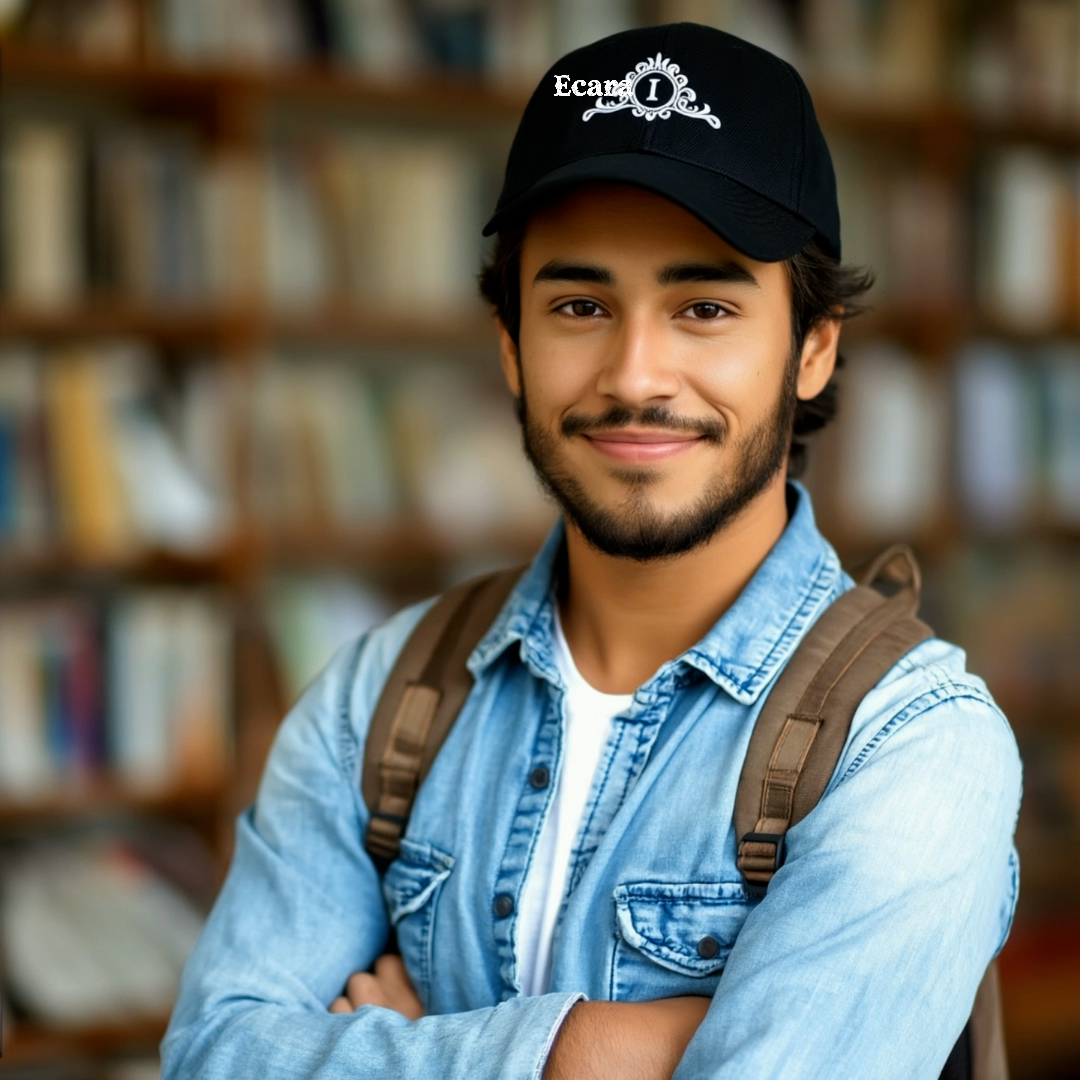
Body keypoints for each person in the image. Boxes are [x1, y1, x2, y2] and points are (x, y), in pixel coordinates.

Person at [162, 22, 1021, 1080]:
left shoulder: (913, 744)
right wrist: (589, 1051)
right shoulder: (377, 700)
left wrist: (411, 1042)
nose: (635, 375)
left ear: (812, 349)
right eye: (579, 305)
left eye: (704, 307)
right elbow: (212, 1056)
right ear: (512, 348)